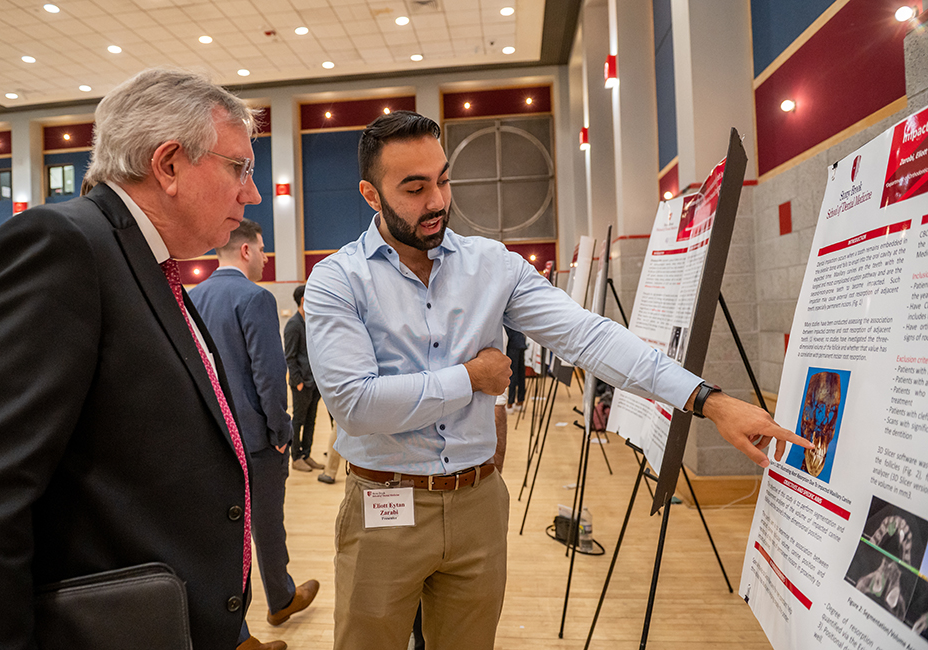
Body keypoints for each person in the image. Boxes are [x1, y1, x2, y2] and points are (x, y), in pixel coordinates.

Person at [303, 110, 811, 650]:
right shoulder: (338, 279)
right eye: (414, 187)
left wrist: (707, 400)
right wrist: (472, 377)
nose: (437, 201)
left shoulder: (491, 266)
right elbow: (357, 404)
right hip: (384, 507)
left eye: (444, 179)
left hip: (478, 504)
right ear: (370, 194)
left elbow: (589, 336)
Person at [0, 68, 265, 650]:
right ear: (169, 164)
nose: (251, 192)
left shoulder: (145, 264)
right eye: (239, 167)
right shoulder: (60, 246)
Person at [191, 219, 319, 650]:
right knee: (267, 523)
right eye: (263, 249)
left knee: (222, 534)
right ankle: (268, 609)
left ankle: (259, 613)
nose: (266, 257)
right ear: (245, 251)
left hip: (213, 438)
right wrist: (281, 429)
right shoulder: (255, 298)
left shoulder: (193, 298)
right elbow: (269, 373)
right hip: (255, 438)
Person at [283, 283, 324, 474]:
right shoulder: (293, 325)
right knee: (298, 420)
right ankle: (296, 457)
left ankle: (306, 454)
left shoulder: (311, 322)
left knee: (311, 420)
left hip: (314, 382)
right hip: (301, 383)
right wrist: (298, 380)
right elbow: (290, 356)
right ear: (303, 300)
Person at [504, 325, 527, 408]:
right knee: (521, 373)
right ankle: (520, 400)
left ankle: (510, 402)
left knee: (512, 373)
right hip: (521, 343)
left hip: (512, 345)